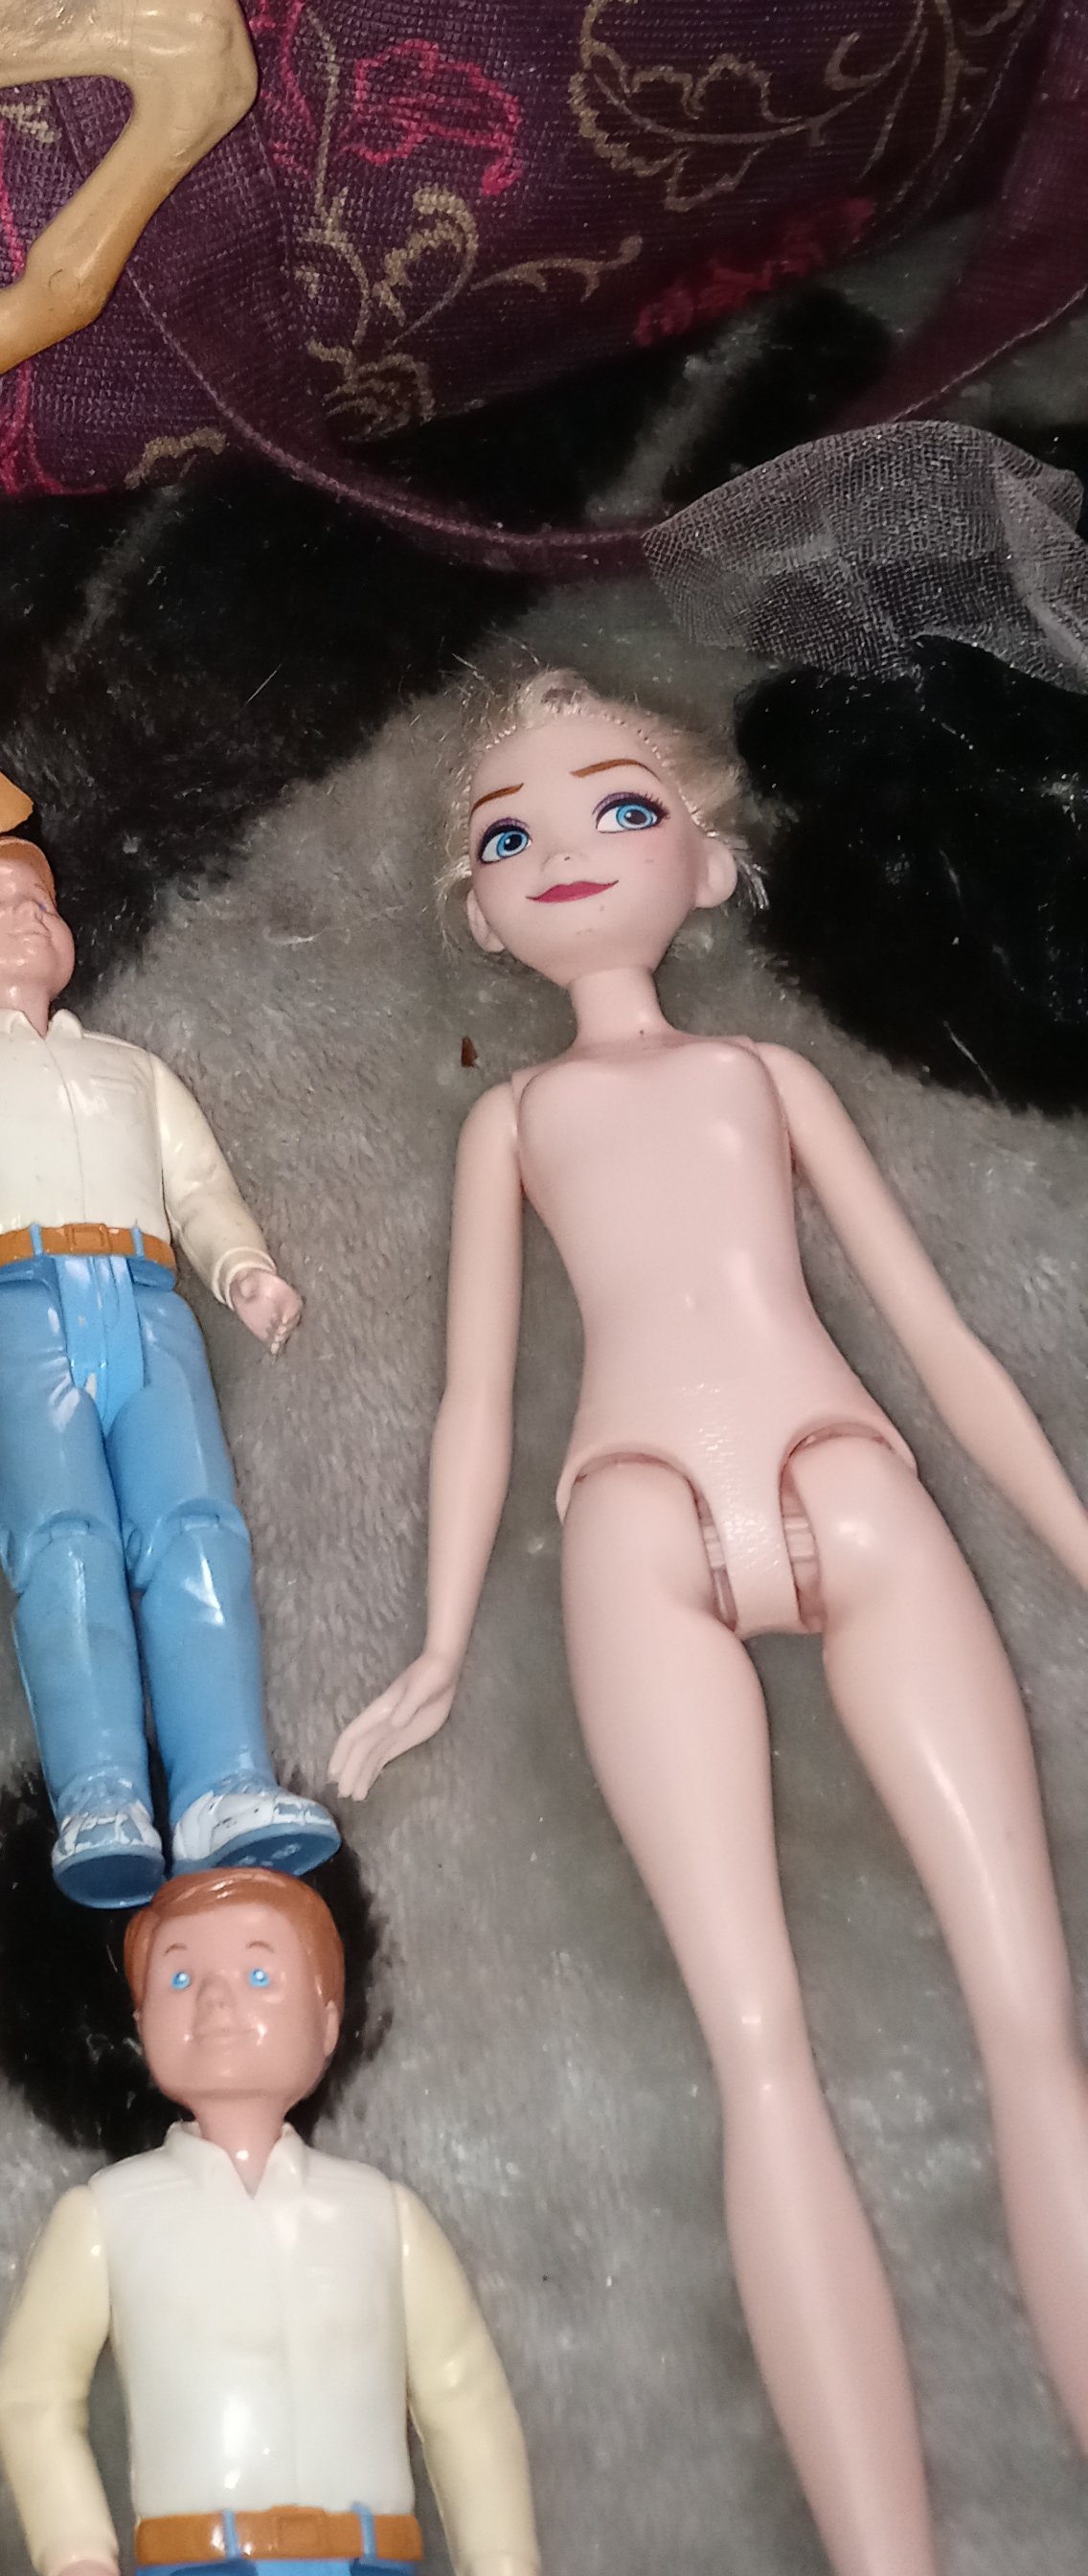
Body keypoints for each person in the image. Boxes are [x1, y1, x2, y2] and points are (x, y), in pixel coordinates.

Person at [336, 670, 1088, 2576]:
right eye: (509, 835)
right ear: (479, 914)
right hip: (637, 1513)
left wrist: (1079, 1542)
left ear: (715, 863)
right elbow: (474, 1399)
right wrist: (439, 1640)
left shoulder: (766, 1080)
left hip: (846, 1474)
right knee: (761, 2053)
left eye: (619, 808)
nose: (565, 853)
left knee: (1029, 2016)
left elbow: (937, 1337)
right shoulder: (515, 1120)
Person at [0, 836, 335, 1906]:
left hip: (151, 1299)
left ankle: (225, 1784)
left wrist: (241, 1268)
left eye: (39, 897)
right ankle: (102, 1795)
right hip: (17, 1300)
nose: (26, 911)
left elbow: (197, 1186)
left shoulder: (131, 1068)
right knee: (63, 1541)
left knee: (197, 1526)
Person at [0, 1866, 536, 2575]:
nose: (216, 2000)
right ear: (141, 2023)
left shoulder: (383, 2216)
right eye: (180, 1979)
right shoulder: (106, 2216)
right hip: (200, 2561)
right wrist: (75, 2550)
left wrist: (501, 2559)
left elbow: (465, 2400)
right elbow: (32, 2394)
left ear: (328, 2020)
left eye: (258, 1975)